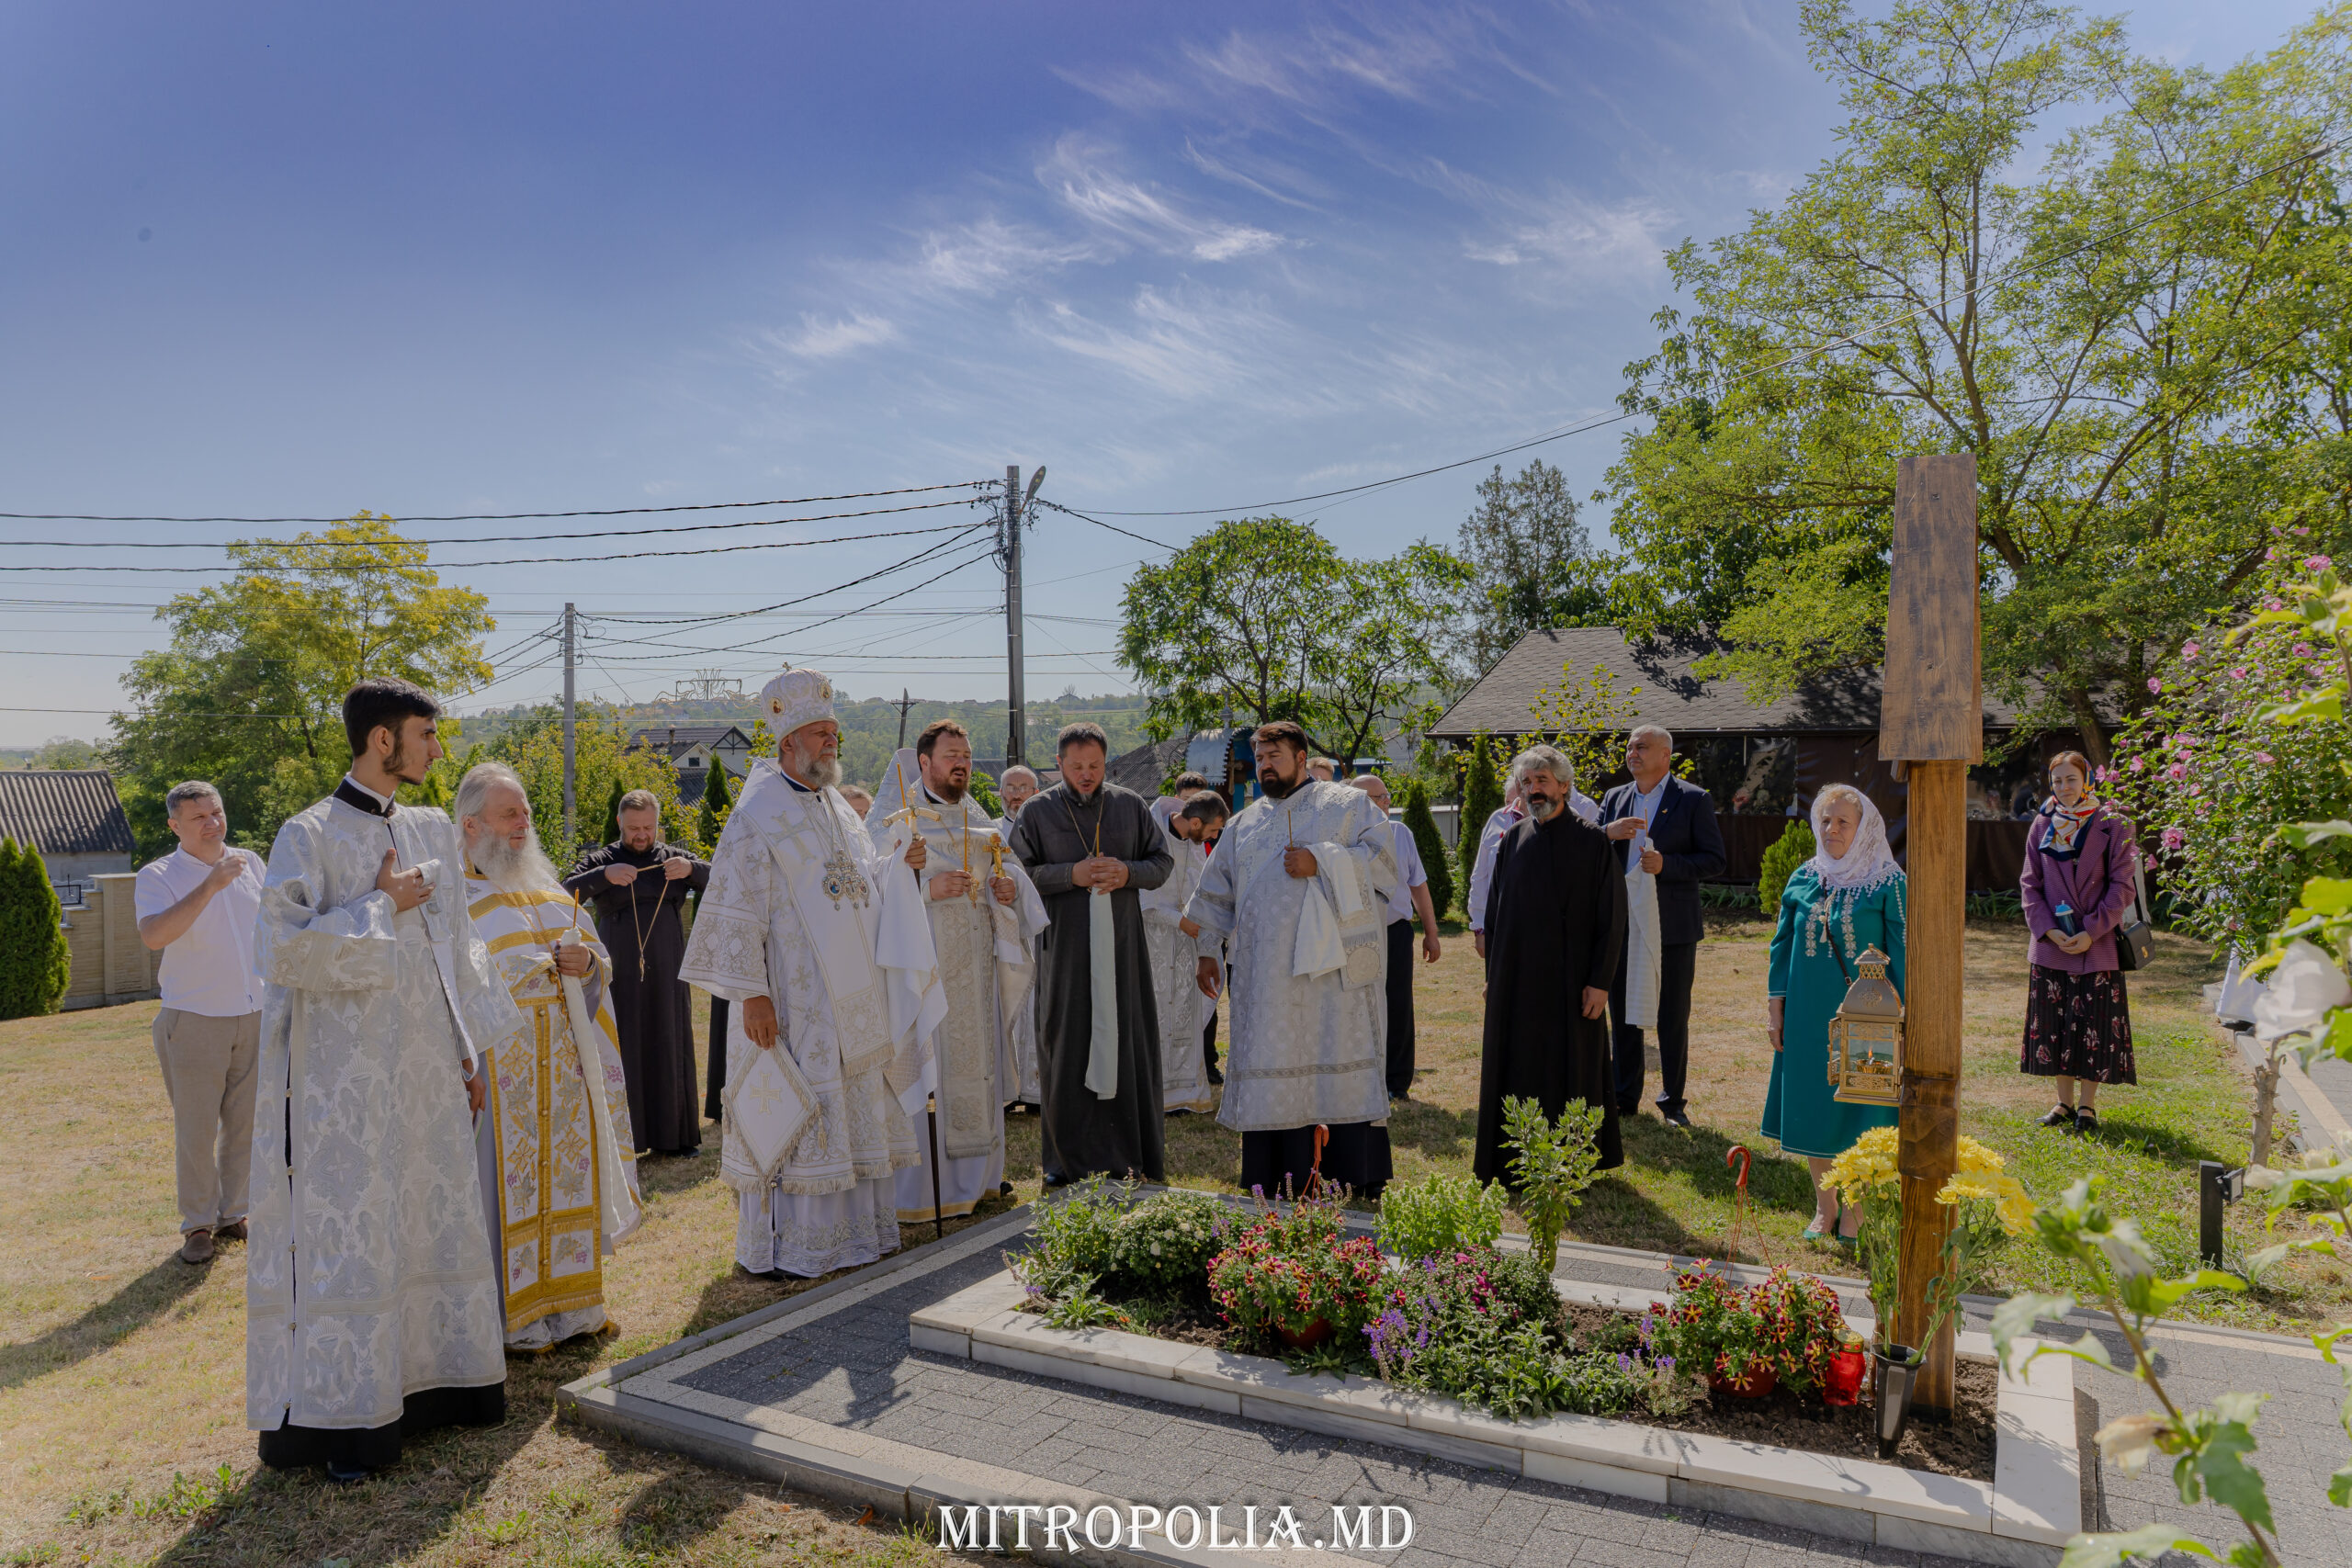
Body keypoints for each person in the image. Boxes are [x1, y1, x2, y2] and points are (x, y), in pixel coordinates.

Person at [247, 678, 521, 1479]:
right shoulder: (307, 834)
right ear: (381, 740)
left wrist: (470, 1051)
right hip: (346, 1085)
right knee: (358, 1232)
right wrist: (379, 903)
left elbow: (457, 947)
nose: (437, 749)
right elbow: (279, 951)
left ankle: (440, 1385)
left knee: (426, 1219)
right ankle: (348, 1418)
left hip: (427, 1073)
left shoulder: (431, 827)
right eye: (425, 734)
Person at [678, 669, 940, 1277]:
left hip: (853, 1002)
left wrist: (900, 866)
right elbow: (736, 909)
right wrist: (752, 995)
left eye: (833, 733)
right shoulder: (756, 815)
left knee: (851, 1110)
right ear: (788, 740)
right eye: (821, 733)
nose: (831, 742)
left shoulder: (838, 809)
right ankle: (792, 1244)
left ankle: (855, 1235)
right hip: (793, 1001)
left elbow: (861, 885)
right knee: (797, 1111)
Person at [458, 763, 642, 1348]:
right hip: (499, 1075)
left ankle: (574, 1308)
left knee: (565, 1179)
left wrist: (587, 965)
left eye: (526, 813)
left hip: (565, 1070)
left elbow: (599, 965)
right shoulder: (452, 902)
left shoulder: (549, 890)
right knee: (505, 1190)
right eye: (509, 814)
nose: (523, 823)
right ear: (470, 824)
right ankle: (512, 1319)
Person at [1186, 721, 1397, 1198]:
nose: (1265, 765)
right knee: (1273, 1059)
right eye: (1260, 757)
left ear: (1301, 757)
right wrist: (1207, 951)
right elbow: (1216, 894)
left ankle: (1346, 1173)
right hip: (1266, 979)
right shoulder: (1242, 824)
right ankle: (1277, 1175)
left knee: (1334, 1057)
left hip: (1332, 977)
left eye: (1274, 756)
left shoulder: (1348, 805)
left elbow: (1385, 864)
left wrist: (1321, 862)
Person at [867, 722, 1045, 1222]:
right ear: (924, 763)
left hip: (977, 973)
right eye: (951, 756)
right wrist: (925, 888)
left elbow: (1011, 876)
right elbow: (871, 893)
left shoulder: (979, 823)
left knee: (977, 1066)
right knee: (934, 1069)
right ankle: (925, 1191)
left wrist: (1008, 891)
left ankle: (982, 1179)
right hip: (924, 975)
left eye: (965, 755)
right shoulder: (897, 825)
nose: (961, 764)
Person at [1006, 722, 1174, 1184]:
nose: (1086, 774)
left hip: (1122, 950)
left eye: (1095, 766)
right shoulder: (1037, 811)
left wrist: (1127, 872)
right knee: (1068, 1045)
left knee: (1126, 1041)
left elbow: (1161, 864)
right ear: (1059, 763)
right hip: (1066, 952)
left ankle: (1132, 1155)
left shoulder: (1129, 805)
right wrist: (1070, 875)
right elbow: (1014, 876)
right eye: (1077, 766)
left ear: (1106, 762)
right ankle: (1067, 1163)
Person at [1473, 746, 1625, 1181]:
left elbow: (1612, 919)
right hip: (1517, 982)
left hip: (1572, 984)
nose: (1534, 789)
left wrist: (1600, 982)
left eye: (1542, 780)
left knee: (1570, 1068)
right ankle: (1515, 1159)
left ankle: (1570, 1162)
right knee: (1517, 1065)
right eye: (1527, 782)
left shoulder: (1593, 841)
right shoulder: (1512, 840)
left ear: (1564, 786)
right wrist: (1494, 976)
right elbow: (1495, 915)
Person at [1762, 784, 1904, 1244]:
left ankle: (1856, 1211)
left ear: (1864, 828)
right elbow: (1781, 946)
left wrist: (1907, 1018)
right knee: (1813, 1104)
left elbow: (1904, 952)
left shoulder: (1887, 882)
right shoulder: (1804, 878)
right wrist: (1776, 1008)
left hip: (1868, 1016)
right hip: (1807, 1014)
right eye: (1825, 820)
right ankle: (1825, 1207)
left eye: (1843, 821)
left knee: (1861, 1108)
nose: (1832, 829)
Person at [134, 780, 266, 1266]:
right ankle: (197, 1226)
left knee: (246, 1124)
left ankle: (234, 1213)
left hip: (254, 1013)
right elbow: (154, 935)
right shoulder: (157, 875)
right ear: (175, 826)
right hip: (193, 1019)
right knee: (195, 1131)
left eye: (217, 813)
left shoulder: (251, 862)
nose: (213, 823)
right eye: (199, 818)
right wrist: (210, 885)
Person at [563, 791, 709, 1156]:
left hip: (667, 965)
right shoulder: (604, 858)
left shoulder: (672, 858)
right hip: (620, 967)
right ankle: (627, 1140)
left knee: (669, 1039)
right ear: (619, 823)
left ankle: (673, 1137)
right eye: (633, 828)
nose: (642, 835)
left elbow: (722, 879)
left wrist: (691, 870)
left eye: (648, 827)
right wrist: (604, 875)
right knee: (624, 1041)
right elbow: (565, 890)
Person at [1600, 724, 1726, 1127]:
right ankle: (1624, 1096)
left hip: (1671, 926)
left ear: (1665, 756)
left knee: (1672, 1016)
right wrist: (1607, 833)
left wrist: (1667, 865)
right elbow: (1591, 852)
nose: (1632, 753)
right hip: (1623, 923)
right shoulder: (1615, 798)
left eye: (1641, 747)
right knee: (1623, 1013)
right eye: (1629, 747)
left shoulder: (1693, 799)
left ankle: (1673, 1102)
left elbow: (1714, 860)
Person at [2018, 750, 2139, 1134]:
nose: (2064, 787)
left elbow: (2123, 886)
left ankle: (2087, 1106)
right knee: (2055, 1025)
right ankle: (2063, 1103)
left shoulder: (2114, 823)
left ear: (2087, 780)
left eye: (2071, 779)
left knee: (2094, 1026)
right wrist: (2046, 929)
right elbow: (2029, 883)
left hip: (2096, 942)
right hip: (2052, 942)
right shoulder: (2042, 822)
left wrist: (2091, 931)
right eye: (2057, 781)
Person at [1349, 774, 1442, 1100]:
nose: (1386, 802)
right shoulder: (1343, 838)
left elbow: (1418, 885)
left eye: (1387, 795)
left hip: (1396, 932)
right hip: (1355, 936)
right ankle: (1361, 1075)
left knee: (1398, 1004)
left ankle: (1396, 1081)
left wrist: (1431, 932)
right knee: (1358, 1005)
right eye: (1378, 797)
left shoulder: (1401, 833)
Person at [1142, 787, 1218, 1113]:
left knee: (1185, 1015)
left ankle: (1185, 1093)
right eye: (1212, 830)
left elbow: (1205, 890)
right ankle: (1153, 1092)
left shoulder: (1196, 846)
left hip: (1187, 946)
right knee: (1155, 1013)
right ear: (1196, 822)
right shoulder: (1149, 835)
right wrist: (1180, 921)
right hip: (1152, 943)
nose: (1213, 838)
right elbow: (1142, 898)